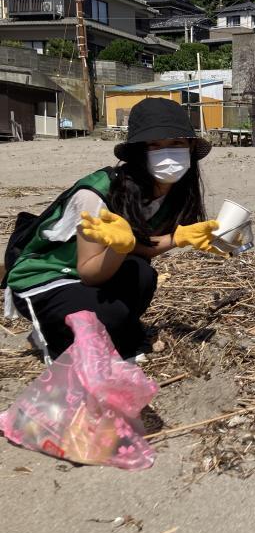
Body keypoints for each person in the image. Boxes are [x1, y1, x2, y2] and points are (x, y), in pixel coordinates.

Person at [4, 98, 221, 362]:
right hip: (46, 278)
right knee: (114, 321)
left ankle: (99, 330)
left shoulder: (170, 193)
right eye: (154, 145)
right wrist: (120, 248)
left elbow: (139, 249)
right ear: (139, 153)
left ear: (189, 147)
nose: (167, 153)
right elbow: (90, 273)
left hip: (86, 277)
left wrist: (178, 238)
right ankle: (51, 335)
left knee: (142, 275)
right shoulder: (97, 194)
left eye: (176, 143)